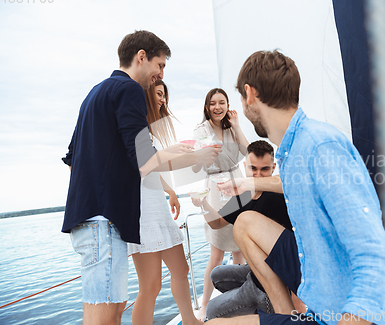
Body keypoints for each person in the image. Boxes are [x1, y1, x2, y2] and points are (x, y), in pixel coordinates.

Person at [206, 50, 385, 325]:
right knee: (245, 223)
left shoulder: (320, 147)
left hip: (339, 313)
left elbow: (376, 256)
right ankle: (286, 315)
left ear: (249, 94)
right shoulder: (293, 151)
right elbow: (294, 183)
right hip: (317, 289)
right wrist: (249, 182)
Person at [61, 30, 220, 325]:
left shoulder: (93, 95)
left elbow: (73, 160)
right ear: (141, 57)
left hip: (89, 219)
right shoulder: (129, 89)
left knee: (113, 305)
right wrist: (192, 155)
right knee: (105, 312)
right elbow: (145, 162)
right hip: (104, 220)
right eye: (159, 65)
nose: (159, 75)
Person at [191, 141, 305, 319]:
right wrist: (203, 203)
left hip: (271, 284)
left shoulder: (280, 198)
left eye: (264, 169)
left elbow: (292, 252)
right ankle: (250, 306)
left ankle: (263, 306)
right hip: (255, 270)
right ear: (244, 167)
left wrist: (295, 307)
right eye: (253, 169)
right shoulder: (243, 195)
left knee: (213, 310)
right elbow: (217, 223)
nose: (258, 175)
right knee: (217, 274)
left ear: (274, 168)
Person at [127, 80, 203, 325]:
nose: (163, 100)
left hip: (157, 211)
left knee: (181, 270)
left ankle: (190, 320)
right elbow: (141, 168)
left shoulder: (150, 131)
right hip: (142, 215)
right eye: (159, 94)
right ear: (147, 94)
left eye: (164, 96)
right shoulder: (136, 129)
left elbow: (154, 169)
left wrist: (170, 191)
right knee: (150, 286)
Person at [192, 88, 249, 320]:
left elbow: (247, 151)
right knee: (216, 253)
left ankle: (236, 303)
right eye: (213, 103)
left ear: (227, 105)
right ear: (207, 107)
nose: (218, 107)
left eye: (222, 103)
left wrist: (236, 125)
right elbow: (203, 158)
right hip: (216, 185)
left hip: (238, 182)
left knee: (240, 249)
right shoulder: (201, 130)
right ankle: (205, 304)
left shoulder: (230, 127)